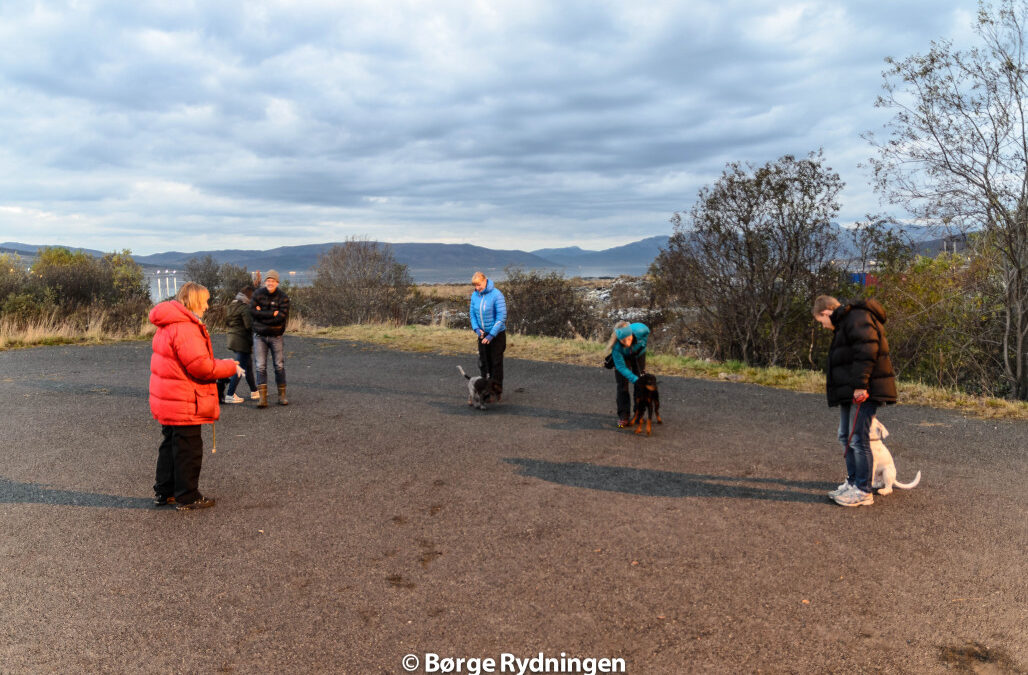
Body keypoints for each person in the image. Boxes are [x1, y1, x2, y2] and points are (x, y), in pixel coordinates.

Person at [149, 282, 244, 511]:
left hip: (169, 397)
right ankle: (187, 496)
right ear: (194, 301)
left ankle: (166, 492)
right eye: (205, 300)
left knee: (171, 445)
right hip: (184, 399)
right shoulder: (186, 327)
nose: (208, 305)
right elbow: (200, 366)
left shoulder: (168, 324)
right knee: (188, 449)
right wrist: (230, 367)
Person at [813, 295, 897, 507]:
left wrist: (861, 385)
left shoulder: (856, 317)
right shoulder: (846, 322)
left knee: (859, 438)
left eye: (821, 321)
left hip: (865, 389)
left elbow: (867, 350)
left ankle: (863, 490)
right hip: (850, 391)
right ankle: (853, 483)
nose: (823, 326)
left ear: (826, 312)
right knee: (846, 436)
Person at [250, 269, 290, 407]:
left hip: (276, 335)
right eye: (268, 280)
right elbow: (253, 312)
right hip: (259, 336)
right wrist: (272, 314)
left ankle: (282, 396)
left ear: (277, 282)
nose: (270, 283)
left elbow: (281, 317)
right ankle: (263, 399)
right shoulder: (257, 294)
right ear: (264, 281)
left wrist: (263, 315)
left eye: (273, 280)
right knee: (260, 366)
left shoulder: (283, 297)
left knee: (279, 365)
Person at [606, 320, 650, 428]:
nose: (627, 343)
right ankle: (624, 416)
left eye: (629, 339)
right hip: (623, 357)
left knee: (641, 385)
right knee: (622, 386)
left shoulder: (642, 330)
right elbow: (621, 367)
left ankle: (639, 413)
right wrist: (635, 379)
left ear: (632, 334)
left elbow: (646, 334)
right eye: (623, 340)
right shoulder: (616, 348)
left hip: (639, 355)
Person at [469, 271, 507, 397]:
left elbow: (501, 317)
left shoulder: (497, 295)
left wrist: (491, 335)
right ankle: (484, 391)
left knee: (496, 363)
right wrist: (476, 329)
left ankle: (496, 391)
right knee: (484, 363)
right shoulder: (475, 296)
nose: (477, 288)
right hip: (482, 334)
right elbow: (472, 315)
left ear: (485, 281)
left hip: (497, 335)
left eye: (479, 285)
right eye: (475, 285)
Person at [223, 284, 259, 403]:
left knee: (248, 366)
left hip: (232, 338)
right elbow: (249, 325)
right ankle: (230, 394)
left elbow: (228, 322)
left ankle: (254, 391)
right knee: (240, 368)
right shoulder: (245, 307)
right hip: (242, 340)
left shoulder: (232, 305)